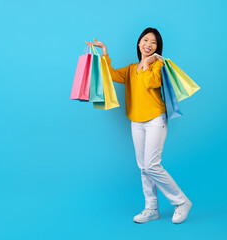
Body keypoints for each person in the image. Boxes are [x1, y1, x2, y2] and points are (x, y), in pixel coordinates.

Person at [85, 27, 192, 224]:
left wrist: (147, 63)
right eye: (145, 40)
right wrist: (105, 51)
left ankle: (182, 201)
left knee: (152, 165)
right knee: (144, 167)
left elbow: (151, 83)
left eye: (153, 42)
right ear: (138, 43)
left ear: (158, 47)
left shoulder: (158, 66)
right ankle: (151, 209)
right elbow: (111, 75)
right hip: (136, 121)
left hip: (155, 119)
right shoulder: (131, 69)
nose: (148, 45)